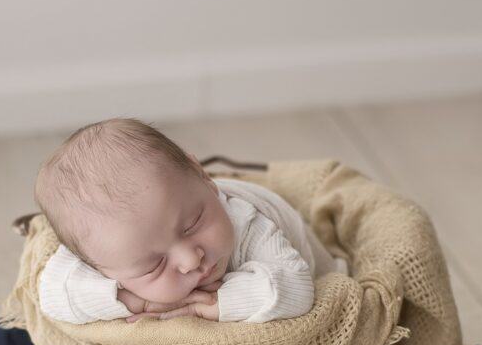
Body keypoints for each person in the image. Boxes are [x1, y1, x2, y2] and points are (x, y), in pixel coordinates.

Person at [34, 118, 346, 324]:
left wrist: (219, 301)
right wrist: (129, 300)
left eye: (193, 223)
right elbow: (50, 295)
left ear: (203, 177)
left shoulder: (248, 224)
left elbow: (297, 288)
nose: (190, 259)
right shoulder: (102, 243)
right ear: (98, 266)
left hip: (313, 264)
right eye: (154, 266)